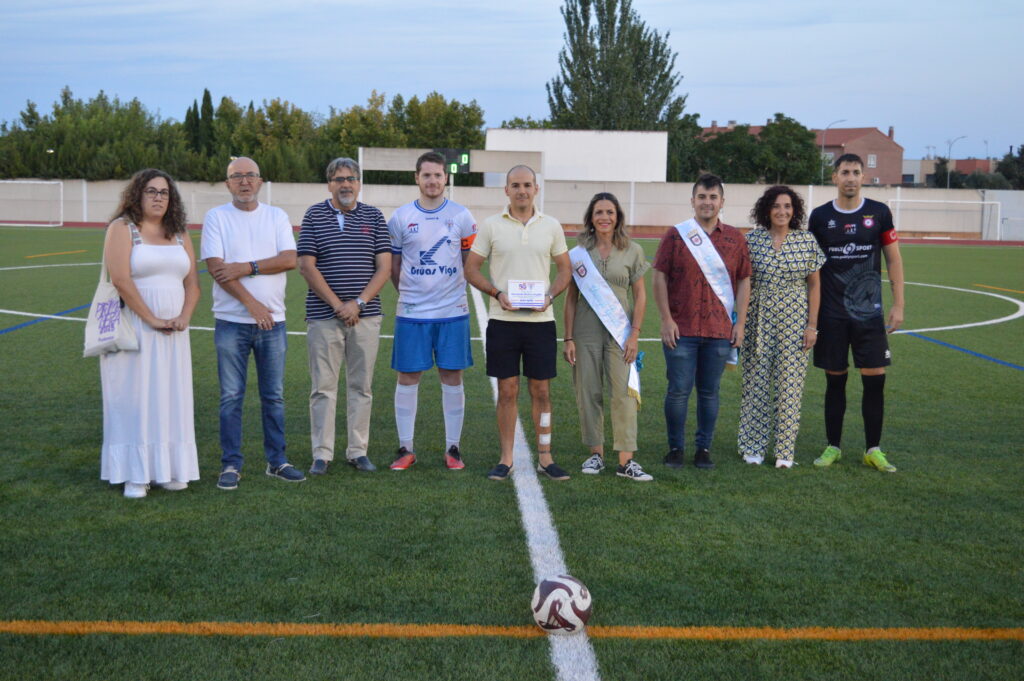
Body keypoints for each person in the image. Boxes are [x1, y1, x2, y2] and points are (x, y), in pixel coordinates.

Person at [200, 157, 303, 490]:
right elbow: (217, 268)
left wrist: (246, 267)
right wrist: (252, 303)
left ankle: (277, 461)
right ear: (228, 183)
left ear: (260, 182)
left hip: (273, 323)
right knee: (231, 396)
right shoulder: (216, 218)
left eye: (250, 176)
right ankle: (231, 464)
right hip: (232, 322)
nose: (244, 181)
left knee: (273, 396)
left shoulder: (276, 216)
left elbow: (289, 259)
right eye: (237, 176)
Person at [465, 165, 572, 481]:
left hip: (541, 321)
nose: (522, 190)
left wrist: (550, 296)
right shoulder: (491, 226)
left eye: (527, 184)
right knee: (507, 390)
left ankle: (545, 456)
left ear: (536, 188)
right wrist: (496, 293)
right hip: (503, 320)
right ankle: (506, 458)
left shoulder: (551, 225)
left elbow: (564, 270)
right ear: (506, 190)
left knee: (541, 390)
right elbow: (471, 269)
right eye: (515, 185)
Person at [100, 169, 200, 498]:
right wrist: (153, 319)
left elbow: (192, 284)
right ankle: (135, 474)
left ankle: (170, 469)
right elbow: (121, 279)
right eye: (151, 191)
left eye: (164, 193)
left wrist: (184, 316)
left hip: (175, 330)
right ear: (137, 195)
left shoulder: (181, 233)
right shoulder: (121, 228)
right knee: (135, 397)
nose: (158, 197)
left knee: (170, 395)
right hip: (135, 327)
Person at [808, 153, 905, 472]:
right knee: (835, 381)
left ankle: (873, 449)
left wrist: (898, 303)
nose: (850, 177)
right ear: (834, 177)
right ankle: (832, 447)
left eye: (856, 172)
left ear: (864, 177)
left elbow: (893, 259)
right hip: (832, 315)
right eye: (844, 172)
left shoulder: (879, 213)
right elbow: (812, 270)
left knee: (874, 380)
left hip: (868, 314)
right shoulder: (820, 217)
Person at [298, 157, 391, 474]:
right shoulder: (314, 215)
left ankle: (357, 450)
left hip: (366, 317)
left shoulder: (374, 216)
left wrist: (359, 303)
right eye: (339, 179)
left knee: (361, 387)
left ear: (359, 183)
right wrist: (339, 304)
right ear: (329, 184)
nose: (346, 184)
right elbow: (306, 266)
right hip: (324, 317)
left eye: (351, 179)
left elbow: (384, 267)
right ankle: (322, 454)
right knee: (323, 388)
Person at [652, 173, 751, 471]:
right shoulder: (675, 235)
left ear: (722, 202)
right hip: (680, 329)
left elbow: (744, 280)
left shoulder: (735, 238)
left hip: (719, 330)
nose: (707, 202)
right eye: (702, 197)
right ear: (692, 201)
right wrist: (666, 319)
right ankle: (675, 448)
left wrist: (741, 323)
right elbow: (659, 276)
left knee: (709, 392)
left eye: (713, 197)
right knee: (678, 391)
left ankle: (703, 448)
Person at [386, 152, 476, 471]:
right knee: (408, 377)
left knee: (451, 376)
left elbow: (470, 263)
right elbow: (393, 266)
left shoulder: (462, 216)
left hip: (452, 312)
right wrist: (412, 294)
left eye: (438, 175)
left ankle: (453, 448)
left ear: (446, 178)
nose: (433, 181)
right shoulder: (400, 217)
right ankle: (405, 448)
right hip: (412, 313)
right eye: (426, 175)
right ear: (417, 178)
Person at [563, 192, 653, 481]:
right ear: (591, 217)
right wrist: (568, 338)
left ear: (618, 218)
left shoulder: (633, 250)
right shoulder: (577, 253)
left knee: (624, 394)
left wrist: (635, 334)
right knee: (588, 391)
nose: (604, 217)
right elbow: (570, 300)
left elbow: (640, 296)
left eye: (610, 212)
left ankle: (626, 460)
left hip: (620, 333)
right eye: (599, 212)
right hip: (584, 330)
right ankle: (596, 455)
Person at [737, 186, 826, 468]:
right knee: (756, 383)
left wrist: (812, 326)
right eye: (776, 206)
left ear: (794, 210)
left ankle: (785, 452)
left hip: (795, 321)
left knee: (790, 386)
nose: (782, 211)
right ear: (766, 210)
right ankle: (753, 446)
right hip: (758, 319)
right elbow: (744, 283)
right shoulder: (751, 241)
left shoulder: (806, 241)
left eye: (787, 206)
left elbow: (814, 285)